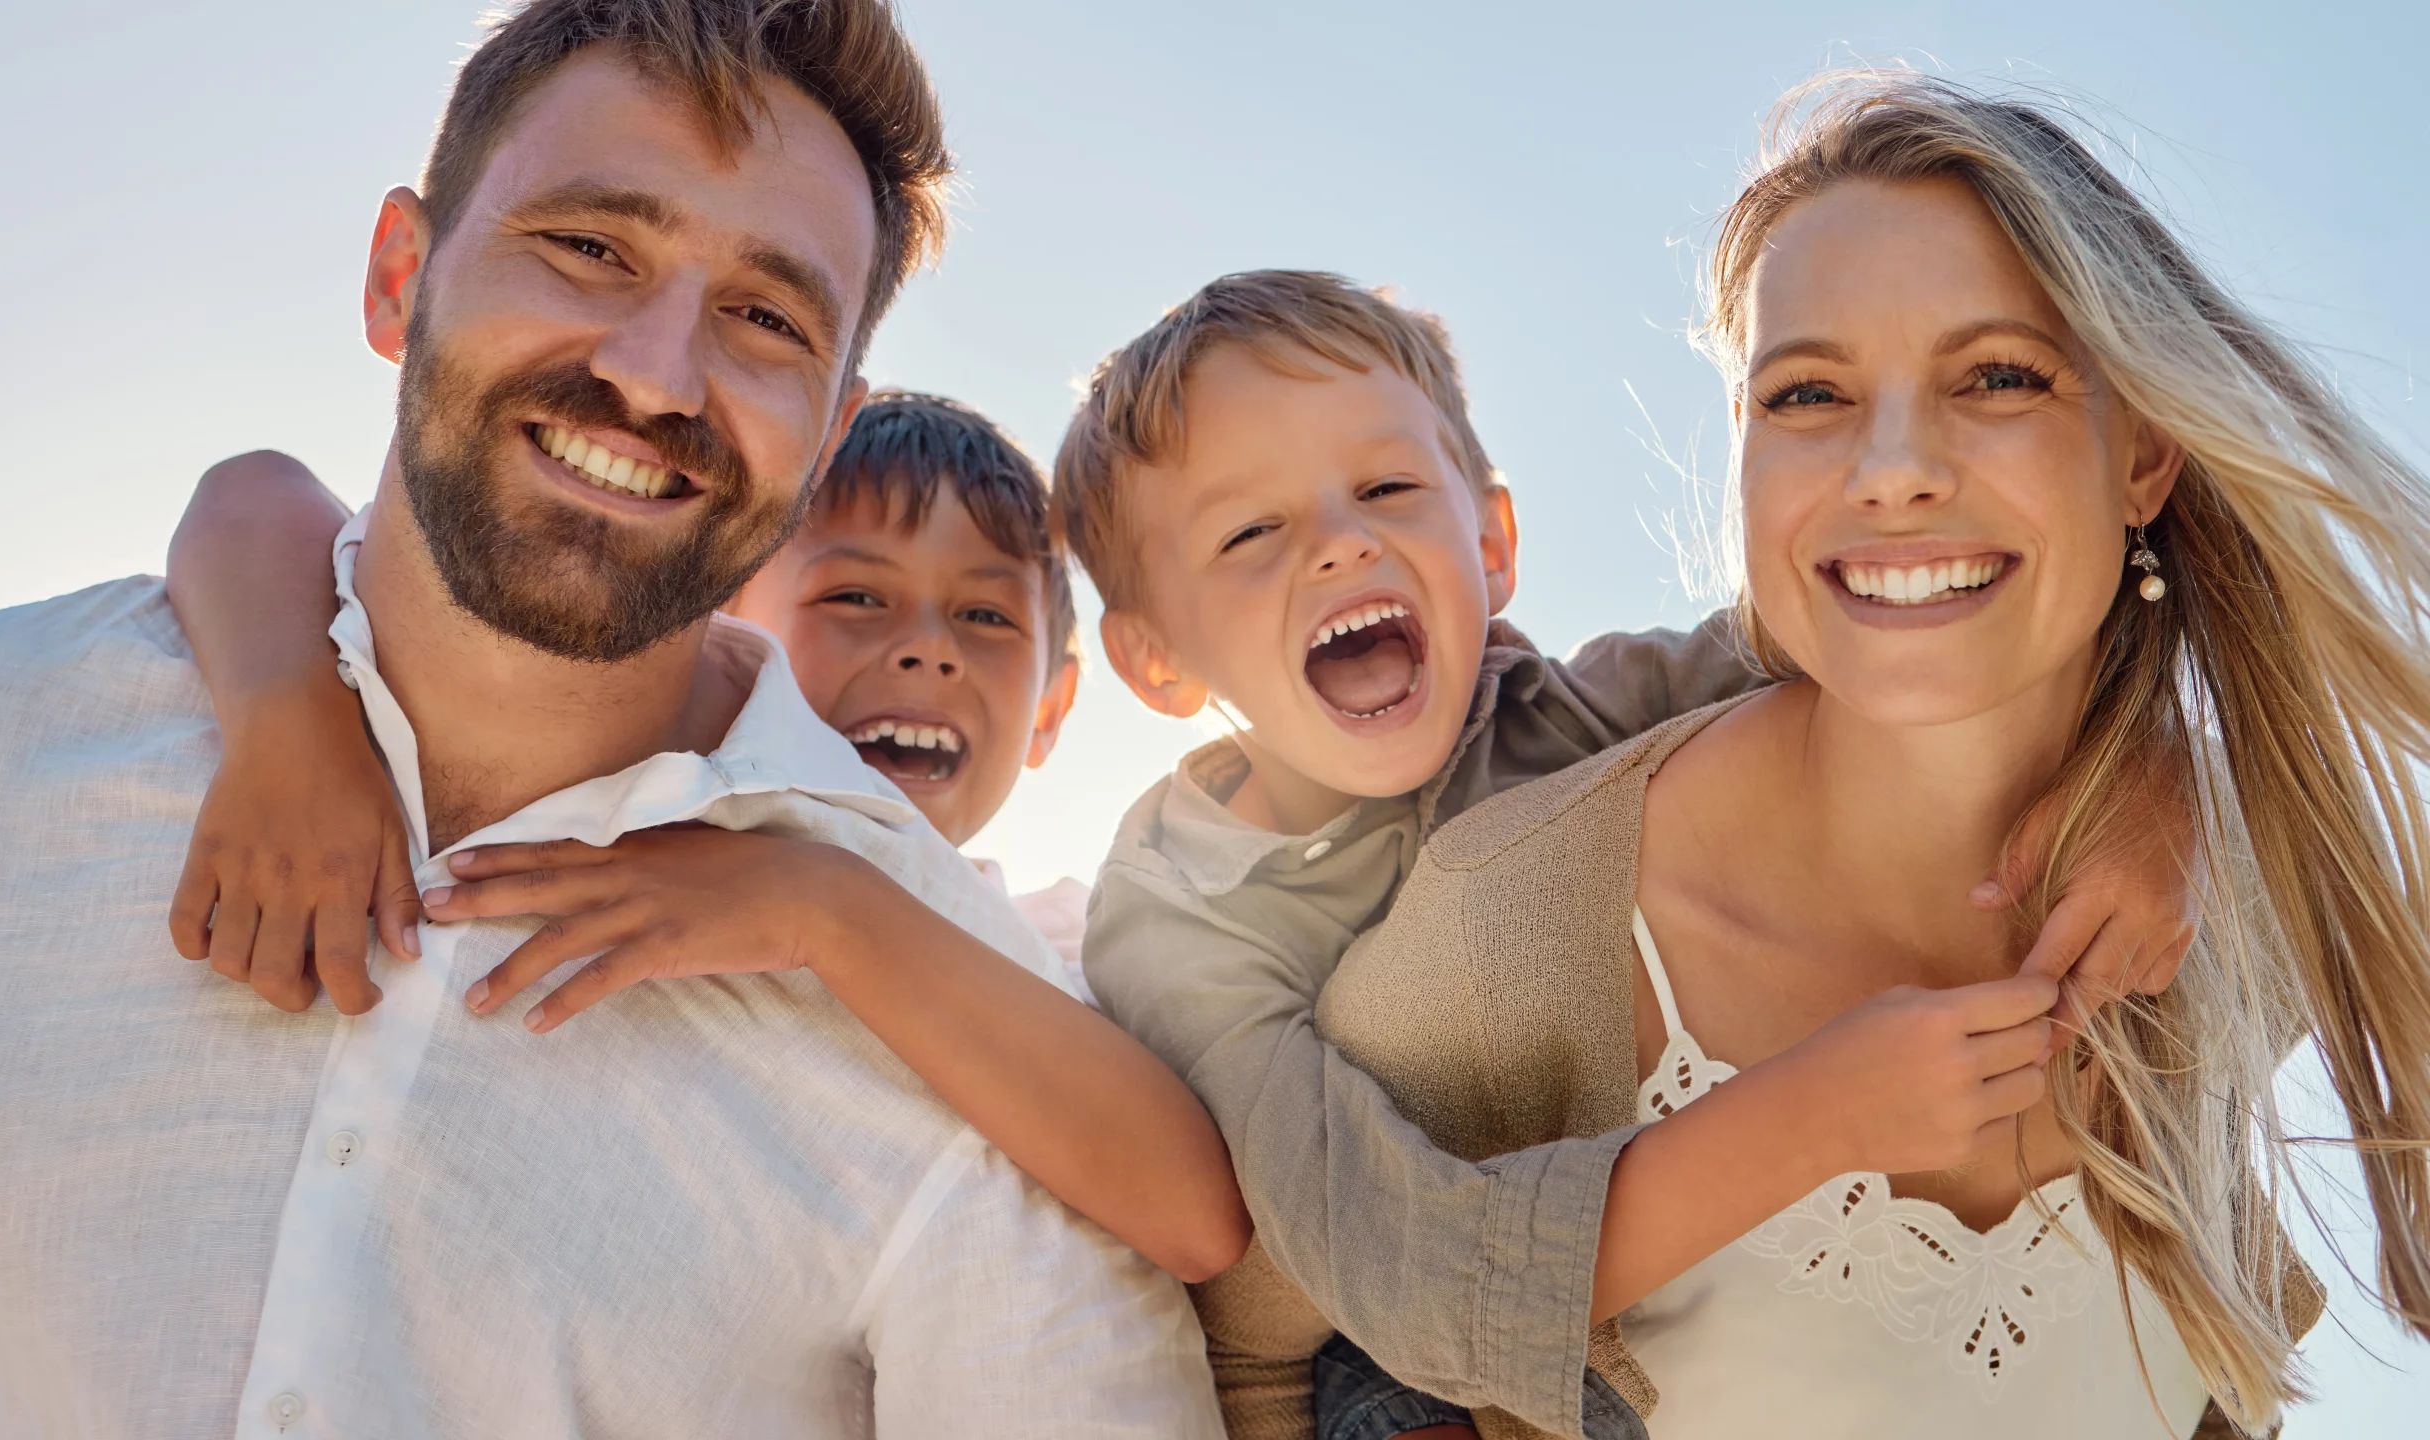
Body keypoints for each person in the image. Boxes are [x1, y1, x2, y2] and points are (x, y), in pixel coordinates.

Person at [0, 0, 1227, 1432]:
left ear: (827, 431)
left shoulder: (972, 1050)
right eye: (588, 247)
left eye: (765, 317)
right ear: (402, 275)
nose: (655, 371)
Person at [1208, 74, 2430, 1438]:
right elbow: (1245, 1338)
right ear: (1744, 456)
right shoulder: (1519, 927)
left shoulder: (2241, 889)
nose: (1893, 467)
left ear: (2144, 456)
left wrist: (2167, 769)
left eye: (1999, 377)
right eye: (1809, 393)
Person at [1059, 268, 2207, 1440]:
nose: (1342, 546)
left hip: (1609, 1214)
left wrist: (2152, 783)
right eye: (1253, 531)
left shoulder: (1581, 712)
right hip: (1385, 1318)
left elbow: (1911, 635)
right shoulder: (1181, 918)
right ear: (1157, 661)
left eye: (1387, 486)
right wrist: (1814, 1117)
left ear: (1492, 542)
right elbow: (1378, 1260)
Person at [160, 390, 1220, 1263]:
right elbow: (254, 492)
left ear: (1051, 709)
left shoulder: (1051, 942)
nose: (927, 652)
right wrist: (287, 717)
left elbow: (1193, 1217)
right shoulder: (631, 801)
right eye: (857, 596)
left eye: (985, 617)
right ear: (715, 619)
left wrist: (818, 904)